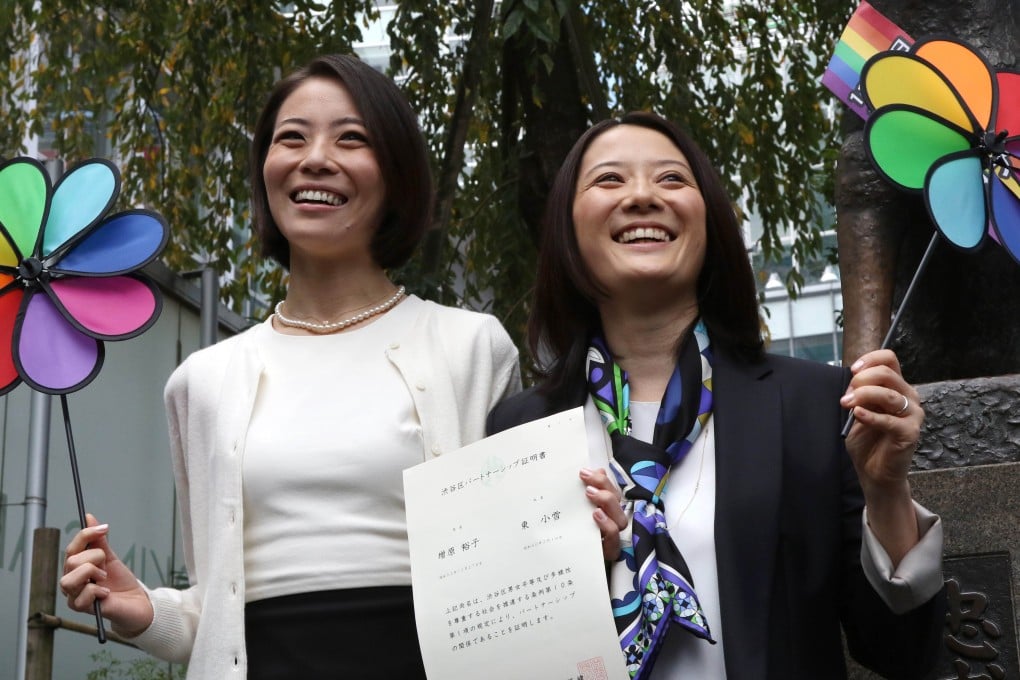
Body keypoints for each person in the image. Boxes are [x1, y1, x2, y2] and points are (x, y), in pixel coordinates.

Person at [61, 54, 521, 679]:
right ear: (266, 173)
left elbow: (515, 572)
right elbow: (212, 611)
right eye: (292, 137)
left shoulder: (473, 348)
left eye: (350, 138)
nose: (315, 158)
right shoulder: (203, 381)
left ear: (397, 175)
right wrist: (142, 609)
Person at [486, 112, 945, 679]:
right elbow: (503, 656)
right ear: (566, 228)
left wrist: (887, 493)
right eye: (609, 180)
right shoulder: (517, 433)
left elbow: (902, 652)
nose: (642, 196)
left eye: (672, 179)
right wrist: (582, 575)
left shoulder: (815, 405)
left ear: (711, 222)